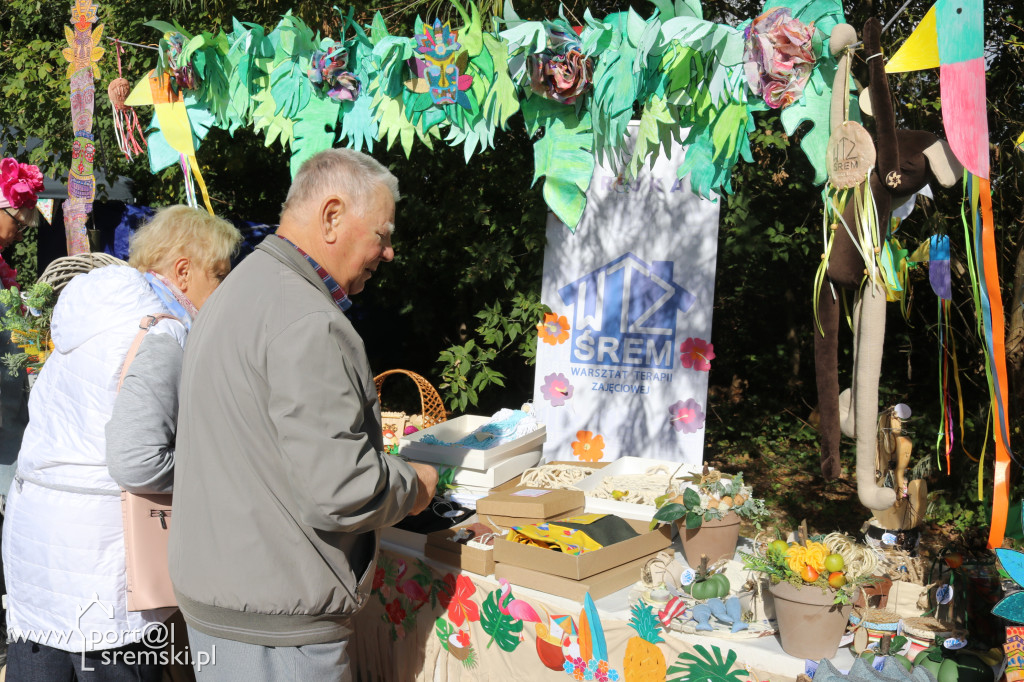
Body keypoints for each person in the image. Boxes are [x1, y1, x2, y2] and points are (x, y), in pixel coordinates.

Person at [169, 148, 438, 681]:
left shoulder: (239, 290)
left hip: (231, 603)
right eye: (382, 235)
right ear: (333, 216)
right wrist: (417, 484)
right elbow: (343, 489)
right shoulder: (307, 318)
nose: (387, 253)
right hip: (274, 625)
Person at [2, 205, 241, 680]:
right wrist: (212, 466)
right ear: (183, 270)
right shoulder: (161, 329)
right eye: (219, 274)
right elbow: (136, 462)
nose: (224, 289)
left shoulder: (92, 312)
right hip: (100, 558)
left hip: (37, 542)